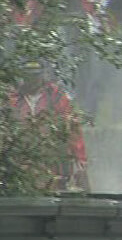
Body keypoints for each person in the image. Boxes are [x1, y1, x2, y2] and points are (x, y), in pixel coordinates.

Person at [9, 62, 89, 192]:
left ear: (43, 75)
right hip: (21, 156)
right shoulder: (13, 99)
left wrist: (80, 157)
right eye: (28, 76)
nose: (32, 80)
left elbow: (73, 127)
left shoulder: (57, 96)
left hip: (52, 156)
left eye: (36, 76)